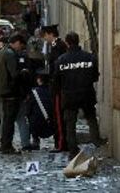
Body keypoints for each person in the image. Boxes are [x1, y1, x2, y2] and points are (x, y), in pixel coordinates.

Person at [54, 32, 106, 159]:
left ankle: (73, 149)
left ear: (67, 43)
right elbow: (95, 76)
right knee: (91, 118)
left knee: (70, 124)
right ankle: (96, 140)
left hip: (69, 96)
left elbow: (56, 80)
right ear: (78, 41)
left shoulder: (61, 60)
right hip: (86, 93)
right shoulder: (90, 57)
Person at [0, 33, 26, 154]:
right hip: (11, 92)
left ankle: (5, 144)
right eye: (21, 45)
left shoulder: (0, 53)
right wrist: (23, 72)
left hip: (2, 91)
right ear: (17, 43)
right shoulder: (10, 54)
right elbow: (14, 74)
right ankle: (7, 145)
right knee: (9, 121)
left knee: (5, 120)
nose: (21, 48)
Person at [41, 24, 68, 152]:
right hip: (55, 85)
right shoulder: (54, 46)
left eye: (45, 35)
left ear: (51, 34)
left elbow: (57, 68)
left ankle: (61, 144)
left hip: (58, 87)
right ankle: (59, 142)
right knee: (56, 115)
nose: (44, 38)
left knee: (58, 116)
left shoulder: (59, 46)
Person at [26, 69, 54, 150]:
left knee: (31, 116)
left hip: (37, 125)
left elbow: (28, 109)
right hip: (51, 124)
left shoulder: (34, 92)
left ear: (38, 80)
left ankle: (35, 140)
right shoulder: (52, 91)